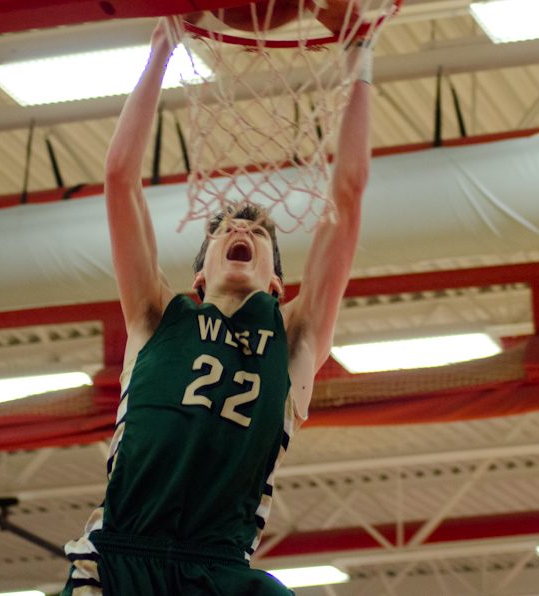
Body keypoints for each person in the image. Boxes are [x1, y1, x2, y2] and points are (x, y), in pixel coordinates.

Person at [62, 12, 372, 595]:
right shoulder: (157, 316)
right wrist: (161, 48)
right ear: (198, 276)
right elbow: (119, 177)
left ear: (279, 285)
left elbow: (348, 196)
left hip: (220, 570)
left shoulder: (296, 340)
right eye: (229, 227)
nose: (244, 228)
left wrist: (360, 61)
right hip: (121, 559)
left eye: (259, 234)